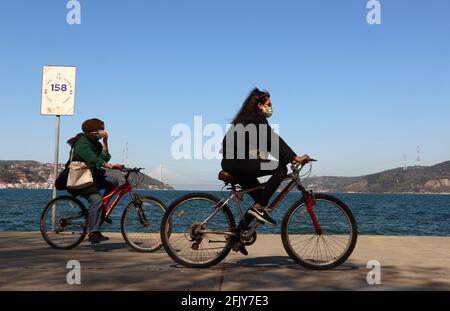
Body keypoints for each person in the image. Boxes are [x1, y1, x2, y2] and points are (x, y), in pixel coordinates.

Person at [221, 87, 312, 227]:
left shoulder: (248, 118)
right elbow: (271, 139)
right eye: (269, 104)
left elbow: (269, 143)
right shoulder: (256, 119)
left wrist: (290, 156)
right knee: (280, 169)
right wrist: (294, 157)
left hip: (235, 163)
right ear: (259, 105)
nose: (271, 107)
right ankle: (258, 208)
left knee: (261, 198)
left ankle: (238, 236)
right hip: (237, 162)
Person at [66, 118, 124, 244]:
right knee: (96, 200)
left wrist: (105, 142)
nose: (103, 132)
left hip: (92, 176)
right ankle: (93, 232)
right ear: (93, 131)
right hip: (80, 178)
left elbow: (105, 157)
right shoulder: (82, 143)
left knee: (113, 182)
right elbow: (93, 160)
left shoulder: (95, 144)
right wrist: (111, 166)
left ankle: (100, 212)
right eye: (100, 130)